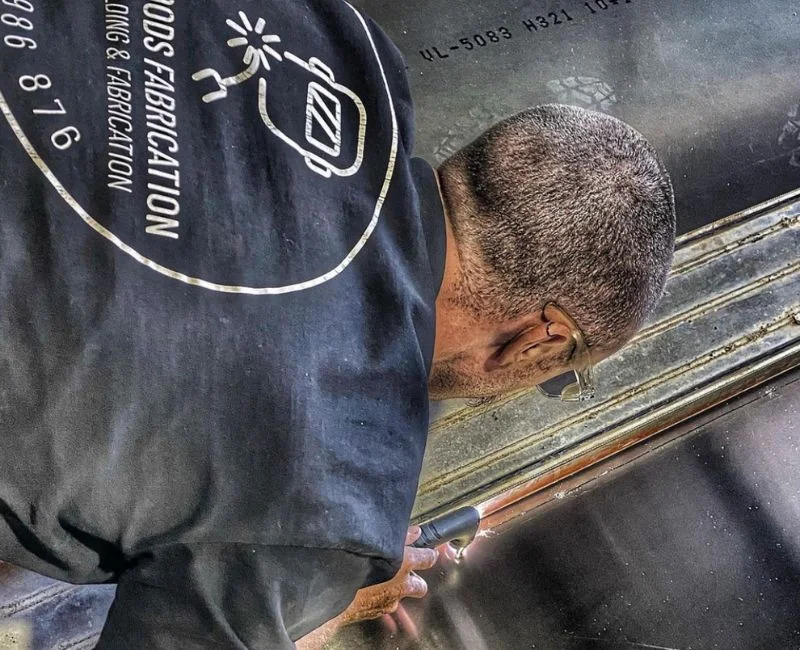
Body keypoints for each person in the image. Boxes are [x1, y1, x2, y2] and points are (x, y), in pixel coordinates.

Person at [0, 0, 675, 647]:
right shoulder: (330, 494)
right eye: (566, 374)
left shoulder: (343, 38)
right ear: (541, 337)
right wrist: (288, 606)